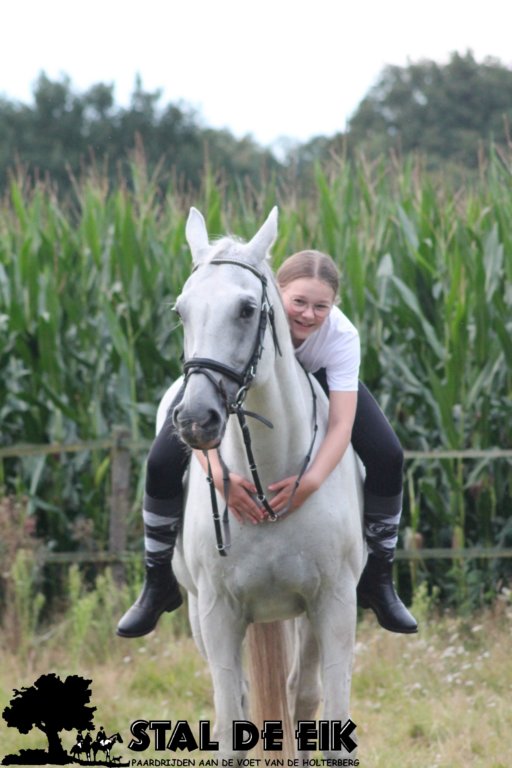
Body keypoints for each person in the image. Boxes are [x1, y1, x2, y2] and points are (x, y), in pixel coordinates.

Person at [117, 249, 417, 638]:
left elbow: (342, 424)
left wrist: (310, 482)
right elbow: (205, 416)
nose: (308, 314)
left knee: (389, 455)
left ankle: (378, 577)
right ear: (276, 292)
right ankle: (157, 580)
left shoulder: (340, 337)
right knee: (160, 463)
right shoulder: (246, 318)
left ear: (333, 306)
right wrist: (219, 475)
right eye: (299, 302)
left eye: (321, 307)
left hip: (317, 378)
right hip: (238, 375)